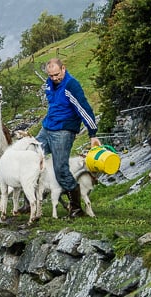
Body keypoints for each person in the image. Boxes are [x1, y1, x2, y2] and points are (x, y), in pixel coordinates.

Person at [36, 58, 101, 217]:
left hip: (64, 130)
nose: (54, 78)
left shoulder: (71, 85)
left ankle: (76, 208)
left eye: (57, 74)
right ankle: (29, 203)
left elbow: (84, 109)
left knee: (60, 169)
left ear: (63, 69)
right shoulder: (49, 84)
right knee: (32, 156)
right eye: (51, 75)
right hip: (47, 127)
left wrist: (93, 134)